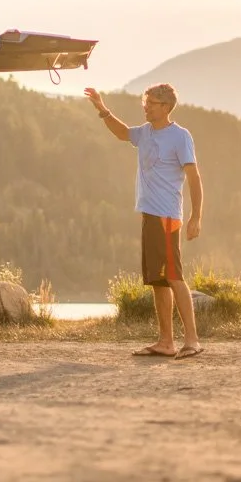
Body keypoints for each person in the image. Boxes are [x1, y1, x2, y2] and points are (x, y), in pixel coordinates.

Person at [84, 83, 205, 359]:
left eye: (150, 103)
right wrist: (102, 109)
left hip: (167, 216)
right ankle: (166, 342)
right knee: (158, 281)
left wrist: (196, 217)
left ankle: (192, 340)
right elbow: (122, 133)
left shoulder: (180, 137)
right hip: (150, 215)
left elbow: (194, 178)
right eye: (145, 102)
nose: (145, 106)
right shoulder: (146, 133)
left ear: (165, 107)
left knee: (173, 276)